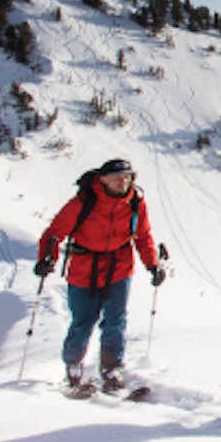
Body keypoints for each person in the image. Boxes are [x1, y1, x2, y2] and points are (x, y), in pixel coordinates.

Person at [35, 158, 165, 391]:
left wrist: (153, 264)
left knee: (116, 321)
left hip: (119, 267)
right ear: (103, 179)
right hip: (85, 269)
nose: (123, 182)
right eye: (117, 178)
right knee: (83, 321)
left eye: (127, 177)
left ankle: (111, 368)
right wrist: (47, 258)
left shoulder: (135, 203)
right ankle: (73, 365)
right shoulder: (84, 201)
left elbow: (143, 236)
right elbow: (55, 231)